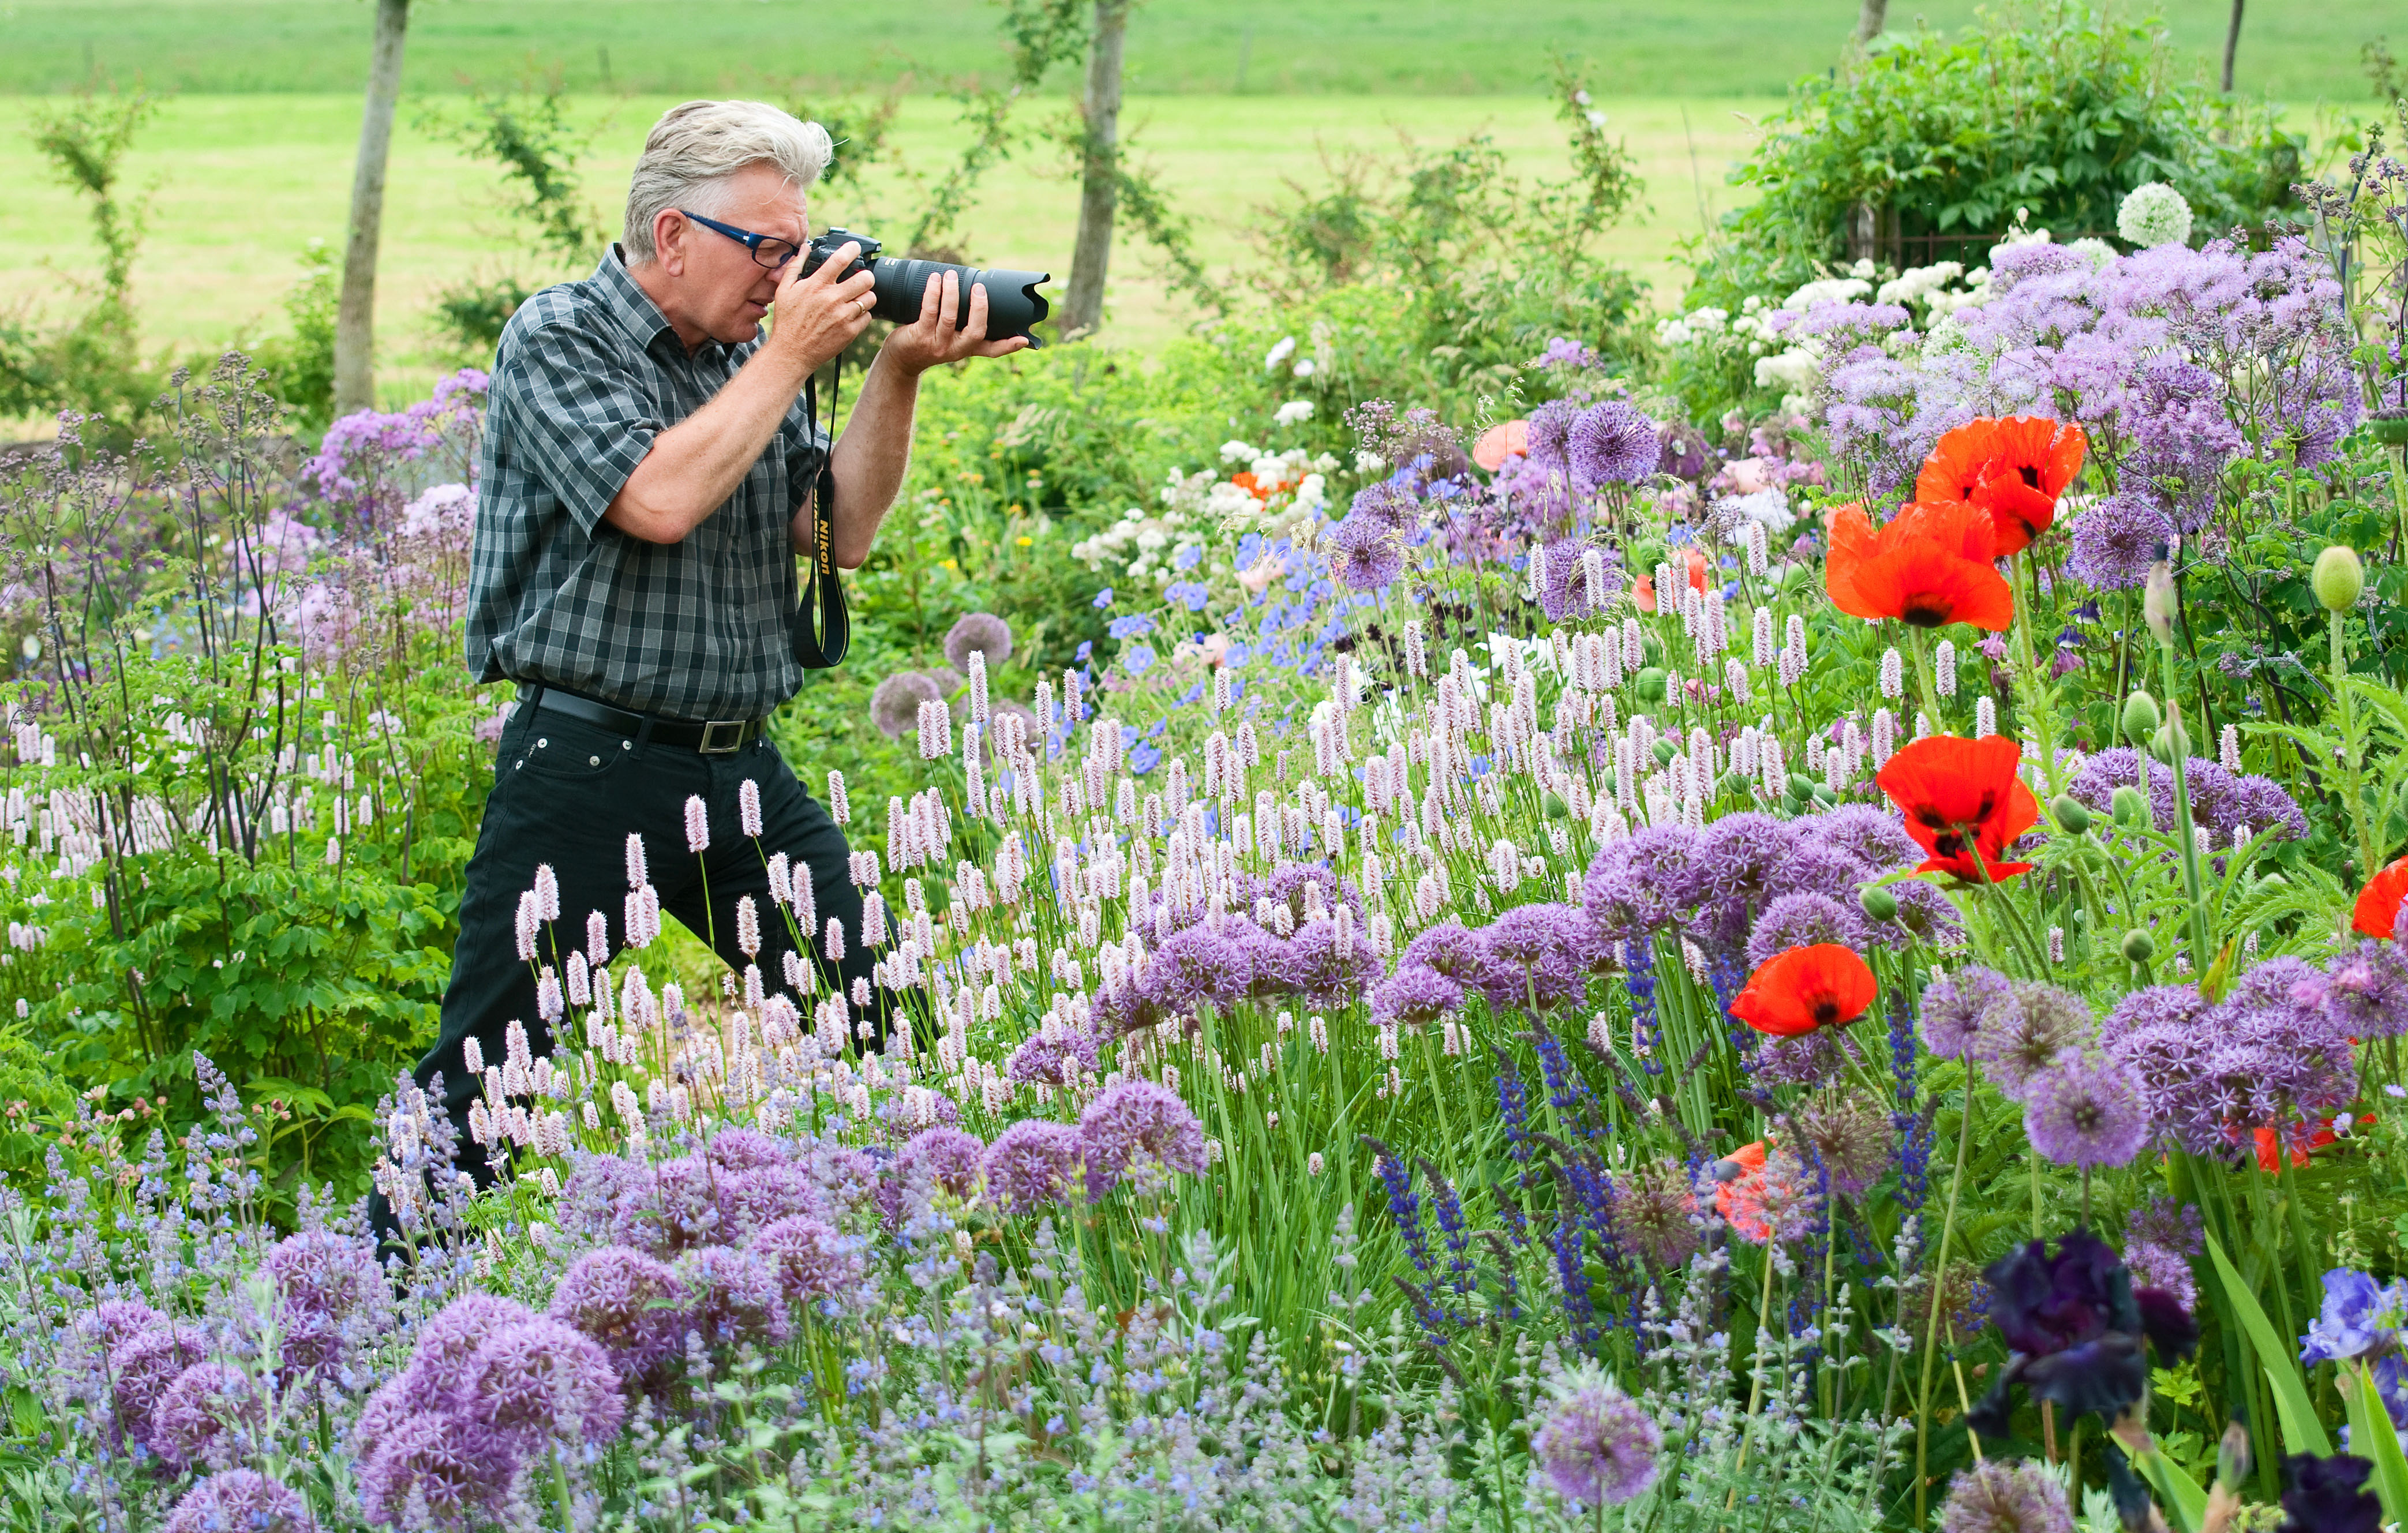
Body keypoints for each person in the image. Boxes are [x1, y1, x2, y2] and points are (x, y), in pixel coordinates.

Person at [402, 99, 1027, 1196]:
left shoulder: (746, 357)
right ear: (674, 234)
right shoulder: (559, 337)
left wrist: (896, 370)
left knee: (888, 1014)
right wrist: (786, 355)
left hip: (739, 768)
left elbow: (841, 527)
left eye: (800, 249)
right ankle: (374, 1318)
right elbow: (656, 499)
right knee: (489, 1079)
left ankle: (938, 1261)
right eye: (767, 249)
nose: (786, 276)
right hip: (588, 767)